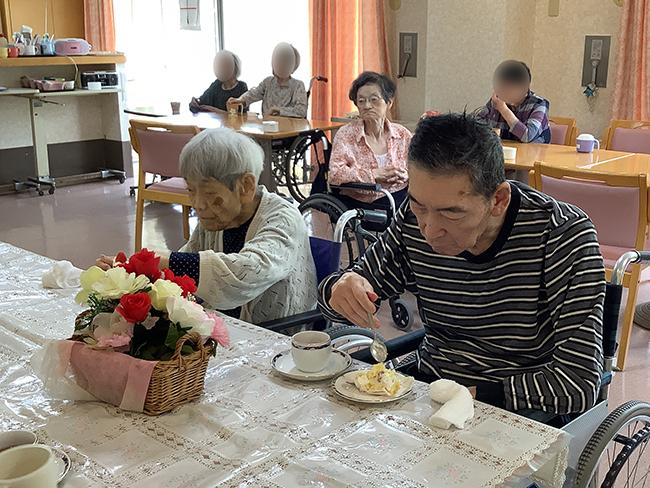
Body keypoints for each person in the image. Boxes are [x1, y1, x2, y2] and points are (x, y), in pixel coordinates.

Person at [318, 113, 605, 415]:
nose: (429, 230)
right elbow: (339, 297)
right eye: (418, 205)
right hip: (433, 387)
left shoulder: (561, 234)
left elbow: (579, 383)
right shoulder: (413, 219)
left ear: (498, 200)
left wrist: (468, 396)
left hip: (516, 405)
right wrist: (341, 288)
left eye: (451, 213)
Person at [97, 128, 317, 324]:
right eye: (191, 190)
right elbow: (184, 269)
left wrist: (163, 261)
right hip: (227, 327)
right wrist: (130, 271)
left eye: (209, 192)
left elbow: (247, 271)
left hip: (281, 337)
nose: (198, 204)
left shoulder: (283, 218)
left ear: (246, 186)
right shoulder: (218, 218)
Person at [328, 71, 411, 209]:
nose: (367, 106)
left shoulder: (402, 134)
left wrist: (406, 175)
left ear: (389, 103)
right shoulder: (346, 134)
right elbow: (335, 175)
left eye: (374, 99)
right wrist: (373, 174)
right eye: (361, 101)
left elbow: (417, 169)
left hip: (399, 199)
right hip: (359, 203)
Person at [477, 60, 551, 143]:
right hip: (502, 149)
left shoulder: (539, 104)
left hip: (534, 150)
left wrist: (503, 109)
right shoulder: (497, 100)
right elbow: (476, 126)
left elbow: (527, 136)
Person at [227, 42, 307, 118]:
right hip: (267, 125)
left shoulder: (298, 85)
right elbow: (254, 93)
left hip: (288, 126)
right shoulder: (268, 82)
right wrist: (240, 100)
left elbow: (301, 111)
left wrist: (276, 109)